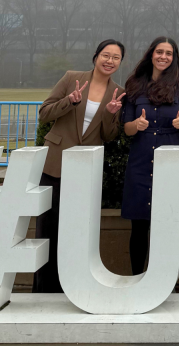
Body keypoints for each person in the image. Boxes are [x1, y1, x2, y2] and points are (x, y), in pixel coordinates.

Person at [35, 39, 127, 292]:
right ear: (96, 56)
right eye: (106, 55)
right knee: (48, 228)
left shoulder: (118, 92)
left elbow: (109, 136)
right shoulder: (71, 78)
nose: (110, 61)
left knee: (77, 231)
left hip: (85, 169)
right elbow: (44, 114)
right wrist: (70, 101)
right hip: (55, 163)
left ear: (120, 62)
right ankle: (43, 289)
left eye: (116, 57)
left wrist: (109, 113)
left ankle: (72, 288)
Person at [121, 37, 179, 275]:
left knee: (166, 224)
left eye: (169, 53)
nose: (164, 57)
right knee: (139, 226)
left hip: (170, 157)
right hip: (140, 159)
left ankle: (163, 280)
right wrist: (136, 125)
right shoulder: (134, 84)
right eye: (159, 52)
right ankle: (137, 277)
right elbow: (126, 129)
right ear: (151, 54)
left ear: (174, 58)